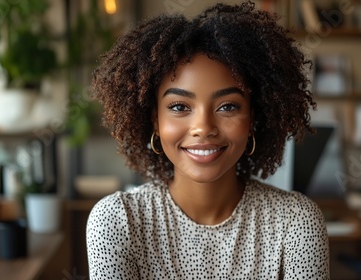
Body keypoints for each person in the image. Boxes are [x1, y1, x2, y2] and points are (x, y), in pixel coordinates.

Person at [87, 1, 329, 279]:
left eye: (228, 106)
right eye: (179, 107)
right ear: (154, 119)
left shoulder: (297, 222)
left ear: (253, 118)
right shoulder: (118, 222)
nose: (203, 128)